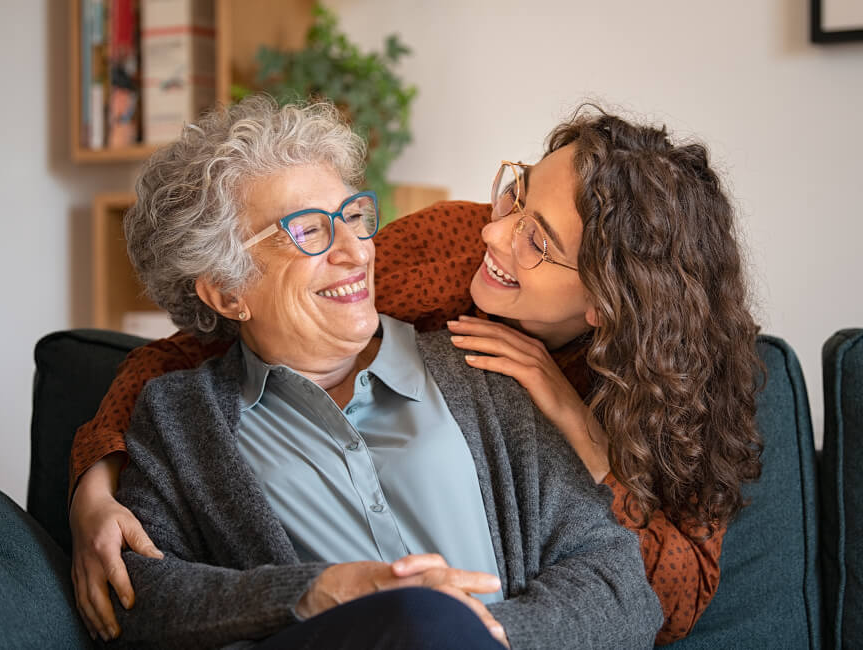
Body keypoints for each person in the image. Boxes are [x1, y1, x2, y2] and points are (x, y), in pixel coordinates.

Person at [69, 104, 762, 645]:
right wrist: (93, 488)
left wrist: (476, 635)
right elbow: (146, 590)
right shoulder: (448, 257)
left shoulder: (505, 382)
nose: (355, 250)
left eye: (537, 240)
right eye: (309, 230)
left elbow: (641, 593)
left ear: (608, 302)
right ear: (226, 288)